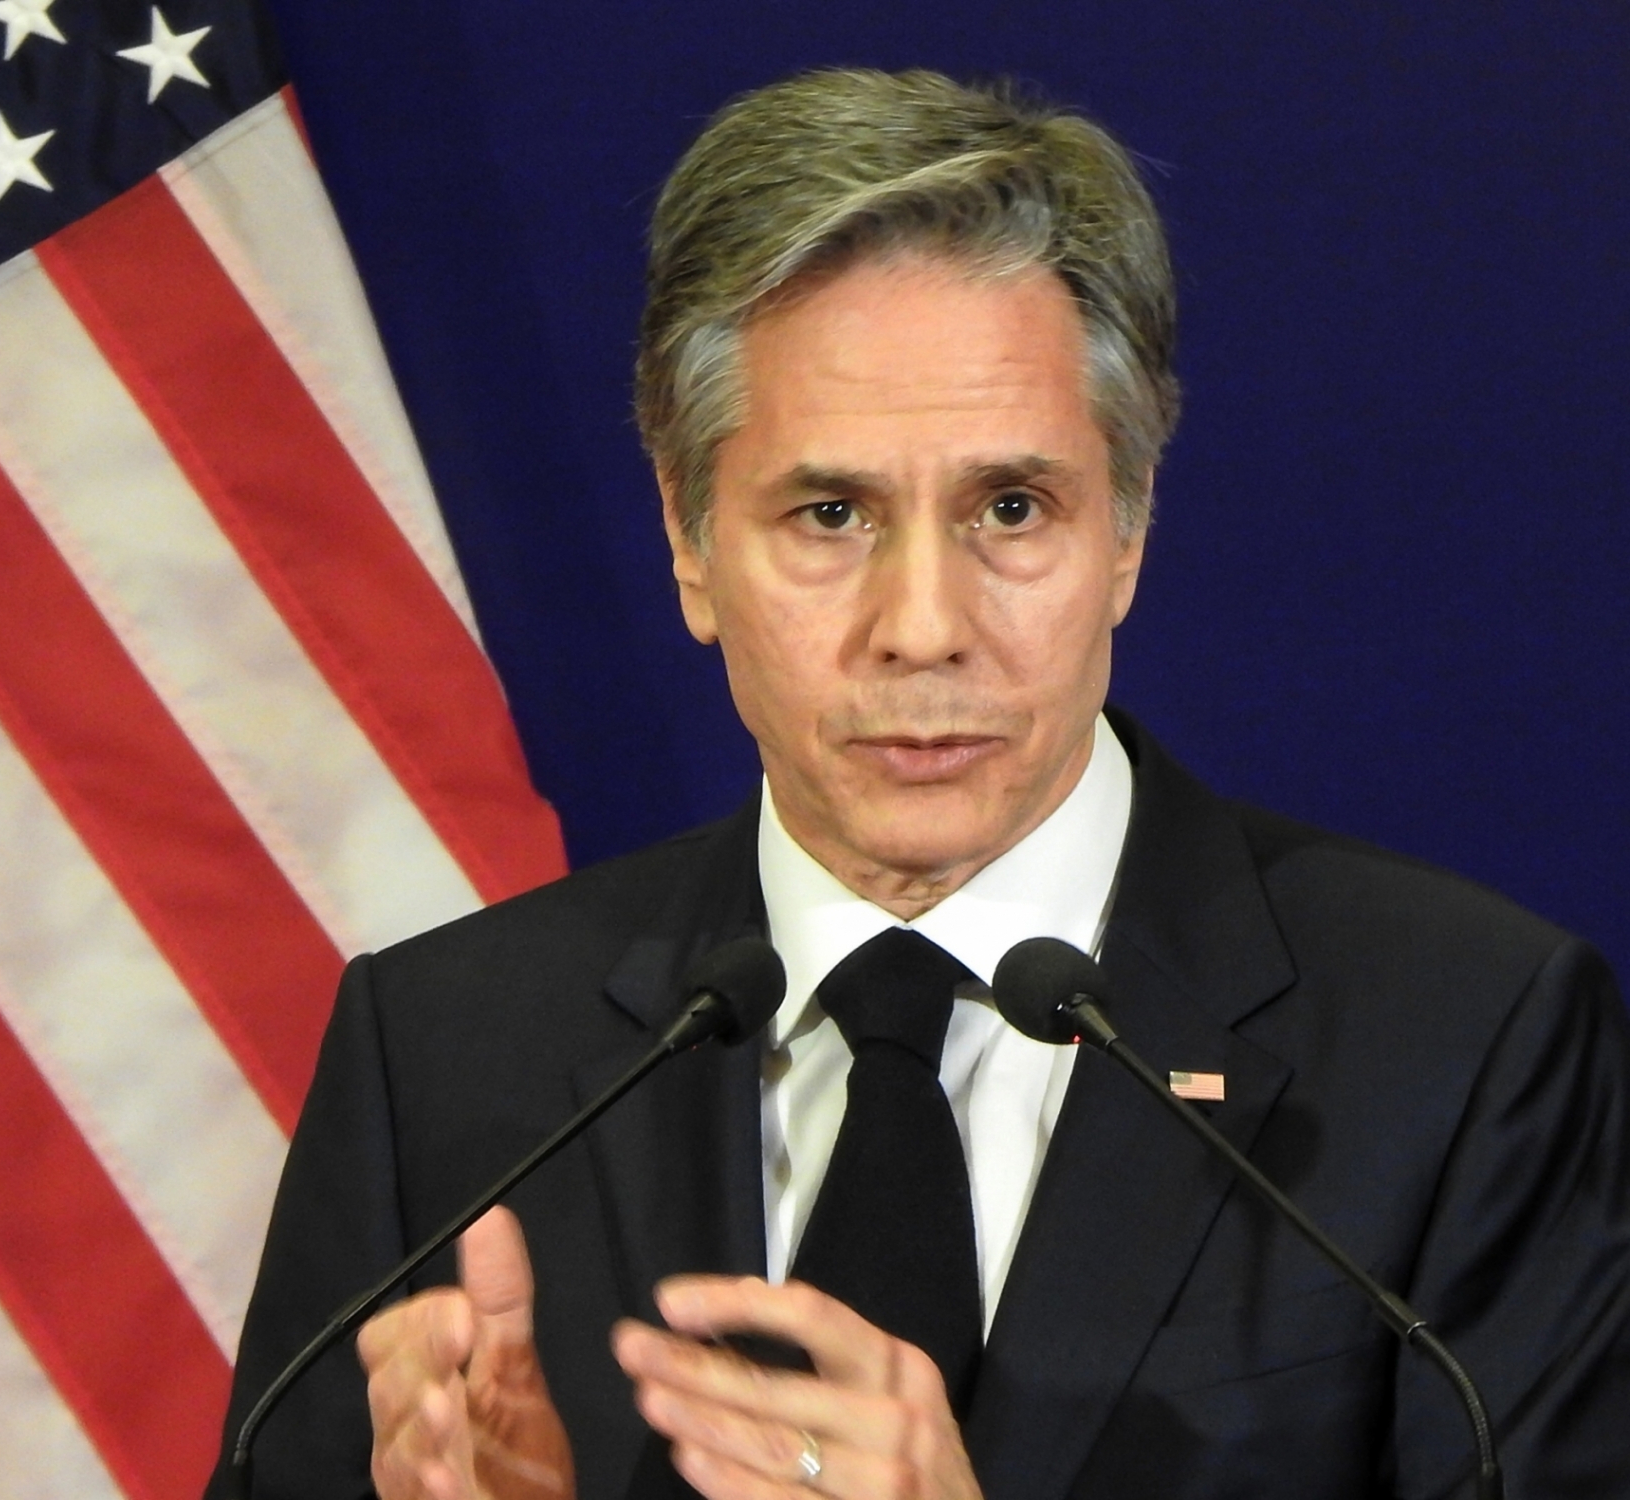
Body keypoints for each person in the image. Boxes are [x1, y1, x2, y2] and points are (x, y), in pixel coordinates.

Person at [212, 69, 1630, 1500]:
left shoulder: (1464, 1043)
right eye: (830, 514)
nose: (923, 626)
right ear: (690, 543)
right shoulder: (443, 1057)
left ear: (1126, 532)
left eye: (1010, 509)